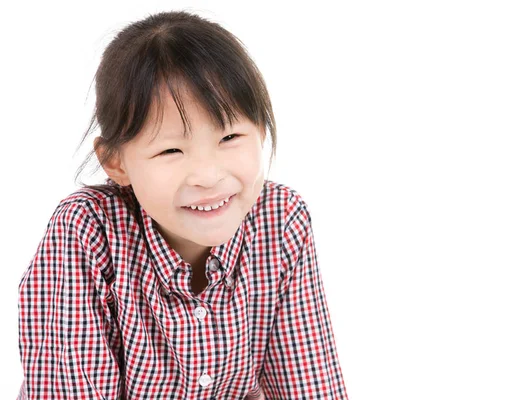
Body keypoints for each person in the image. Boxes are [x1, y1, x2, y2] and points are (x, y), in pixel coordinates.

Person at [16, 10, 348, 400]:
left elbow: (308, 382)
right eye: (172, 149)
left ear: (260, 131)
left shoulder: (281, 218)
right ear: (116, 162)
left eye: (230, 137)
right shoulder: (87, 230)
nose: (207, 175)